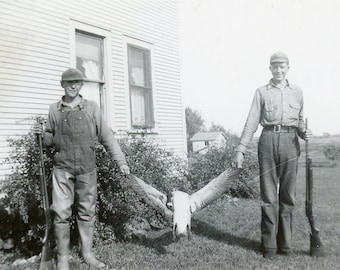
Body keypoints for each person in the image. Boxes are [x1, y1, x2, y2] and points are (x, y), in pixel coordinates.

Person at [33, 68, 130, 269]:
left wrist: (121, 161)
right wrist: (41, 135)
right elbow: (50, 140)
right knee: (61, 213)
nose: (73, 85)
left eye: (77, 82)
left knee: (87, 211)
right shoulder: (54, 109)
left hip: (87, 170)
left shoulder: (92, 108)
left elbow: (107, 137)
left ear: (81, 85)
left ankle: (87, 253)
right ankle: (62, 259)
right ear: (62, 85)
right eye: (69, 82)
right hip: (62, 170)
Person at [232, 52, 311, 259]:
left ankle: (285, 245)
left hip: (290, 143)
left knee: (288, 196)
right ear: (270, 69)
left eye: (282, 67)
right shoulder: (261, 92)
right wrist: (240, 148)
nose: (278, 70)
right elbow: (251, 122)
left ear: (288, 68)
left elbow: (300, 121)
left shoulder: (298, 92)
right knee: (268, 196)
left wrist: (303, 131)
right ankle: (269, 247)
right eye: (274, 67)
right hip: (267, 141)